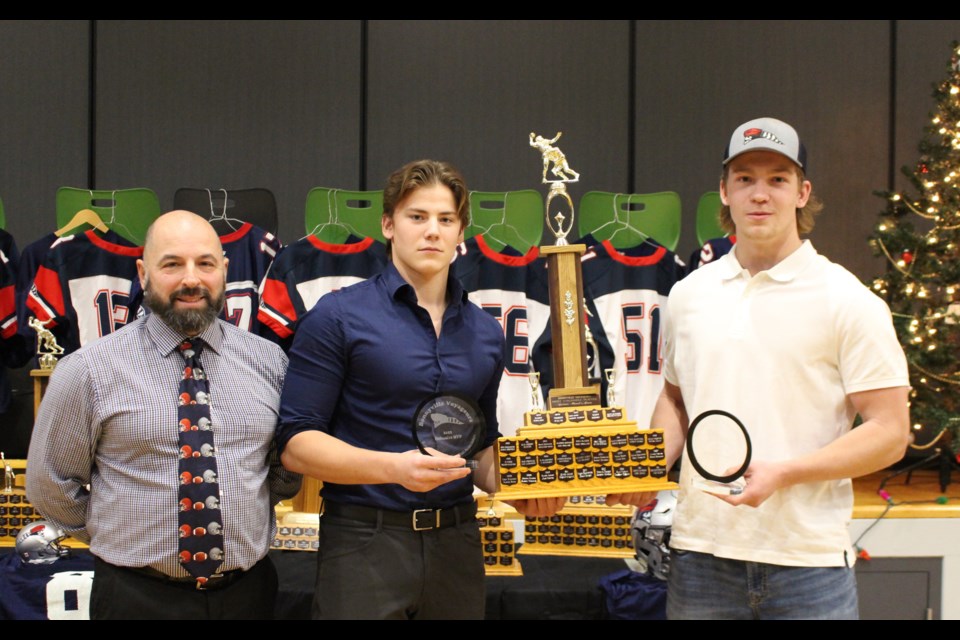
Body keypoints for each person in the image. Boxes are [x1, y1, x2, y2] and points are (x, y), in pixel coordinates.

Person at [647, 117, 910, 619]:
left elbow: (891, 431)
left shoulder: (848, 300)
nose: (759, 194)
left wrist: (786, 473)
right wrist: (646, 466)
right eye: (745, 179)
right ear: (724, 191)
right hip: (701, 556)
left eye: (777, 179)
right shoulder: (689, 295)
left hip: (807, 563)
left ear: (802, 192)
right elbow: (676, 398)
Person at [278, 159, 564, 620]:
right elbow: (296, 444)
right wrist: (393, 468)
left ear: (460, 233)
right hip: (363, 541)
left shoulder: (486, 333)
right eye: (417, 217)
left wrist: (525, 485)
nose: (432, 231)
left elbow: (481, 447)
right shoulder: (337, 317)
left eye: (445, 219)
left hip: (458, 543)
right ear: (389, 225)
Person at [26, 210, 301, 619]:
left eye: (205, 263)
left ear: (224, 271)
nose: (191, 278)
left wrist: (247, 509)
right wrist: (114, 531)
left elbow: (285, 466)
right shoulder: (88, 370)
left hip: (248, 594)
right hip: (135, 596)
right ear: (143, 272)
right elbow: (50, 482)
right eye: (171, 264)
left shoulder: (270, 362)